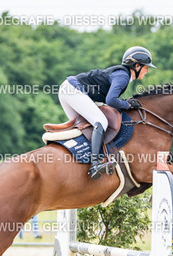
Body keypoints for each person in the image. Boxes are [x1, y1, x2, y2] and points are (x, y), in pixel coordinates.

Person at [59, 46, 155, 180]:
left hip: (68, 90)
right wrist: (128, 105)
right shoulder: (123, 76)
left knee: (85, 127)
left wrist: (124, 104)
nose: (147, 70)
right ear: (137, 66)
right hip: (73, 90)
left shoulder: (121, 74)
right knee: (101, 122)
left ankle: (78, 161)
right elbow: (111, 100)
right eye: (146, 67)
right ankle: (95, 164)